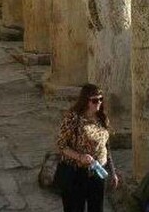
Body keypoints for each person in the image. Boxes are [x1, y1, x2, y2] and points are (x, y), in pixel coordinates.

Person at [56, 84, 120, 212]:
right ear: (86, 100)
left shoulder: (102, 118)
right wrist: (80, 157)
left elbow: (106, 146)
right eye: (95, 100)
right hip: (76, 173)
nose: (99, 103)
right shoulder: (73, 118)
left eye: (101, 99)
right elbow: (61, 145)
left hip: (97, 172)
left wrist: (113, 172)